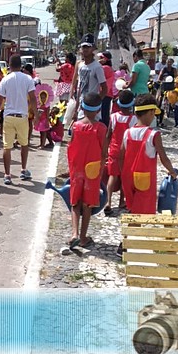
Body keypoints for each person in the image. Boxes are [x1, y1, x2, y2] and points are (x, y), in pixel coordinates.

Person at [120, 93, 177, 215]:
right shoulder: (153, 135)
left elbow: (121, 156)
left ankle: (132, 231)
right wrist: (172, 171)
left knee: (132, 209)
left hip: (127, 176)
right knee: (143, 212)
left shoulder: (127, 133)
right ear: (151, 113)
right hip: (144, 177)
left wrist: (122, 174)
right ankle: (138, 232)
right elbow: (163, 157)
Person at [67, 92, 107, 249]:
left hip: (77, 169)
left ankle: (74, 234)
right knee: (87, 204)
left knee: (75, 202)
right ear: (98, 110)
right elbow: (104, 152)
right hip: (93, 169)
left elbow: (71, 146)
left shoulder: (76, 126)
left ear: (82, 107)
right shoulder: (101, 128)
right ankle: (83, 237)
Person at [0, 54, 37, 185]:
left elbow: (0, 99)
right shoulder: (28, 79)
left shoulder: (5, 79)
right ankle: (23, 169)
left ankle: (7, 175)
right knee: (24, 144)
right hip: (22, 116)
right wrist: (35, 114)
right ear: (21, 65)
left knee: (7, 146)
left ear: (9, 64)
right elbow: (33, 98)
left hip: (8, 115)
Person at [103, 90, 137, 216]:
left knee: (113, 176)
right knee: (125, 177)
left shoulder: (114, 117)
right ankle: (122, 201)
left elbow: (108, 135)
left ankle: (108, 201)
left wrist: (105, 150)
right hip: (127, 152)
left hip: (114, 150)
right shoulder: (133, 119)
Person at [70, 34, 107, 121]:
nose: (85, 49)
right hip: (81, 107)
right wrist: (75, 109)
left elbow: (104, 89)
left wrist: (96, 104)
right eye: (84, 47)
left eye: (88, 47)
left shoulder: (97, 67)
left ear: (93, 48)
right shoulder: (80, 65)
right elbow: (79, 87)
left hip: (93, 110)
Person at [98, 51, 115, 127]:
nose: (99, 59)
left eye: (101, 58)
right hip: (107, 94)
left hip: (104, 93)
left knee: (103, 115)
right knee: (104, 113)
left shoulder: (105, 68)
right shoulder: (108, 68)